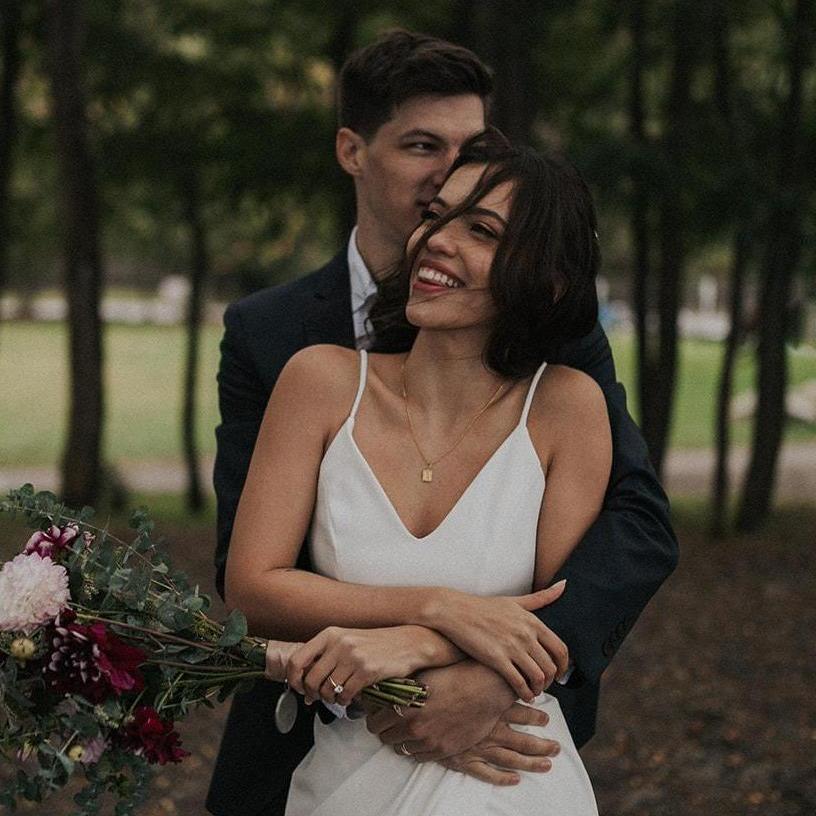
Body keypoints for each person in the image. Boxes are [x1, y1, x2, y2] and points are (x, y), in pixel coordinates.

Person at [207, 30, 677, 816]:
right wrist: (434, 609)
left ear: (543, 282)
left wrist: (472, 671)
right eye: (424, 146)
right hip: (324, 745)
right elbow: (250, 576)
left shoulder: (564, 387)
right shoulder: (282, 344)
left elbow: (630, 531)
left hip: (504, 754)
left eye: (471, 149)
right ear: (353, 151)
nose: (446, 185)